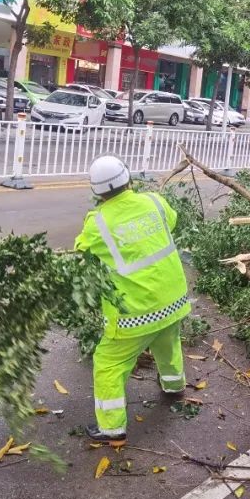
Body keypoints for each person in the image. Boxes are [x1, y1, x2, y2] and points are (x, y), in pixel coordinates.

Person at [74, 156, 191, 443]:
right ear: (129, 179)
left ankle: (112, 427)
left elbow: (82, 253)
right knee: (167, 342)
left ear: (97, 192)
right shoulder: (154, 201)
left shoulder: (97, 222)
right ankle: (174, 386)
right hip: (173, 298)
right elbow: (172, 222)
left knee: (108, 363)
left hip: (135, 312)